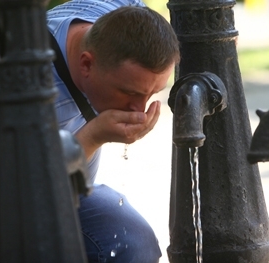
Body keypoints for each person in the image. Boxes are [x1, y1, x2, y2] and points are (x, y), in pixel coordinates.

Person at [47, 1, 180, 262]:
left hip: (72, 189)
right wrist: (94, 135)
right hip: (22, 198)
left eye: (151, 94)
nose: (139, 111)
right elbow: (27, 192)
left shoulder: (116, 12)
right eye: (130, 93)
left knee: (134, 242)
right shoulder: (28, 83)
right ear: (86, 64)